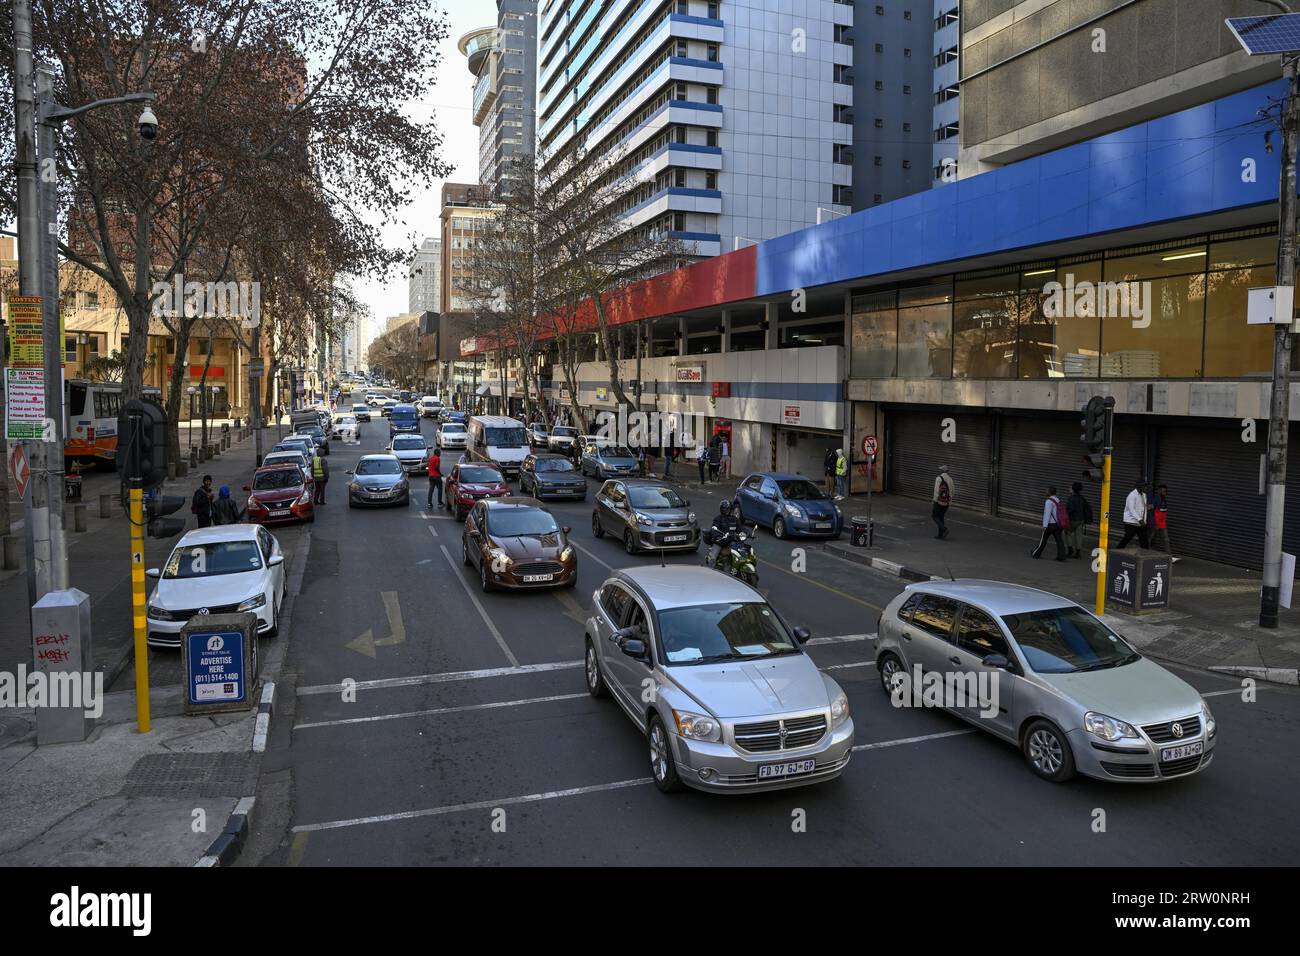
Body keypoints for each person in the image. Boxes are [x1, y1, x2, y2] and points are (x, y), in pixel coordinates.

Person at [1031, 485, 1067, 561]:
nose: (1045, 492)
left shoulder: (1049, 501)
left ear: (1049, 492)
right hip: (1058, 524)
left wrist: (1044, 525)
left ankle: (1036, 553)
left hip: (1050, 524)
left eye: (1046, 490)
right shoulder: (1057, 500)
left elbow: (1047, 513)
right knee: (1059, 540)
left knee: (1043, 539)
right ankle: (1061, 556)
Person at [704, 499, 741, 568]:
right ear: (721, 509)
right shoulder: (718, 519)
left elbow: (740, 529)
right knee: (713, 559)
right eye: (725, 509)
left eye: (728, 509)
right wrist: (718, 536)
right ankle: (709, 571)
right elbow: (714, 529)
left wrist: (747, 532)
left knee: (741, 552)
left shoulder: (734, 519)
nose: (727, 510)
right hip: (720, 542)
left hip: (731, 541)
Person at [1118, 478, 1150, 549]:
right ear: (1139, 486)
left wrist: (1147, 508)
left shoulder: (1144, 495)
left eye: (1146, 486)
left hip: (1140, 522)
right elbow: (1131, 509)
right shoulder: (1132, 495)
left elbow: (1142, 507)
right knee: (1128, 537)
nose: (1146, 487)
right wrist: (1140, 519)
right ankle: (1118, 550)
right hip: (1131, 522)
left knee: (1144, 539)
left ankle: (1146, 552)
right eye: (1144, 486)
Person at [1065, 481, 1093, 559]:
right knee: (1079, 535)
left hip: (1073, 520)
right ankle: (1078, 553)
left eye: (1070, 487)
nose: (1069, 488)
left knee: (1068, 533)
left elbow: (1070, 510)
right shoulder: (1082, 498)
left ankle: (1070, 550)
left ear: (1073, 489)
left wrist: (1066, 515)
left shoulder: (1071, 498)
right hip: (1081, 520)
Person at [1150, 482, 1174, 560]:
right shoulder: (1156, 499)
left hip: (1162, 523)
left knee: (1166, 538)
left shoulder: (1164, 499)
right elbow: (1151, 510)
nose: (1165, 493)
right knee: (1150, 537)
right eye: (1163, 491)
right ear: (1159, 491)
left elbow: (1163, 512)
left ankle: (1169, 556)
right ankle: (1144, 551)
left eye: (1166, 491)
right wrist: (1154, 523)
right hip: (1156, 522)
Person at [932, 465, 953, 539]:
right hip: (947, 502)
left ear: (942, 471)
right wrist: (949, 501)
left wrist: (935, 500)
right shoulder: (950, 479)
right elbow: (952, 492)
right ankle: (940, 534)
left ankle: (944, 529)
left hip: (939, 501)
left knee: (934, 516)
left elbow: (936, 491)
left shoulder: (939, 478)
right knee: (941, 517)